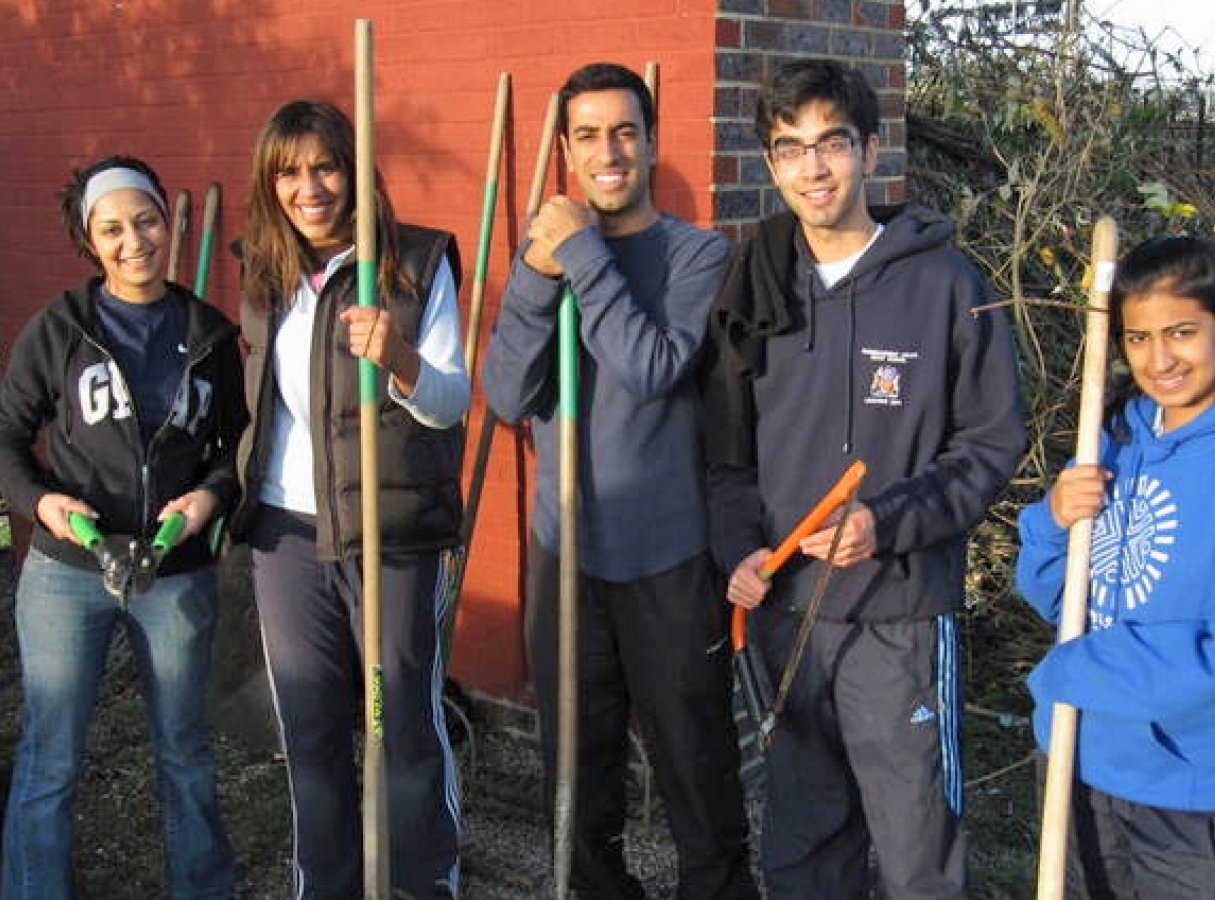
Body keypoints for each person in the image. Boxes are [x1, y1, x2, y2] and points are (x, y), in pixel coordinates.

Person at [700, 59, 1026, 900]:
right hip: (787, 622)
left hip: (902, 620)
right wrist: (740, 551)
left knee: (918, 852)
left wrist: (891, 521)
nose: (814, 168)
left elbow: (991, 445)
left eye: (832, 144)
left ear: (870, 151)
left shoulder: (947, 287)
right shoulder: (759, 286)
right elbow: (727, 457)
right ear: (771, 165)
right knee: (806, 849)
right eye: (791, 148)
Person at [482, 62, 757, 899]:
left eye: (626, 132)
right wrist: (537, 277)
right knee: (578, 758)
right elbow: (503, 395)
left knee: (693, 756)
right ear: (566, 150)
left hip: (669, 558)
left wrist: (583, 257)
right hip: (567, 555)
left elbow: (651, 368)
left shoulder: (697, 255)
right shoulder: (550, 261)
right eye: (591, 134)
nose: (611, 151)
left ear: (650, 141)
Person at [233, 99, 469, 900]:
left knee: (399, 721)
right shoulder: (264, 274)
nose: (311, 188)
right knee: (311, 731)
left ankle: (420, 885)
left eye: (326, 166)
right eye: (290, 173)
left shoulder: (416, 263)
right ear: (271, 185)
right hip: (285, 537)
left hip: (389, 532)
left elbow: (450, 400)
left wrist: (399, 356)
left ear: (356, 172)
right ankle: (322, 885)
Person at [0, 155, 244, 899]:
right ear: (90, 240)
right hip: (66, 576)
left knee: (185, 753)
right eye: (112, 228)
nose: (133, 240)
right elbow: (6, 436)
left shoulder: (208, 332)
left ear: (167, 223)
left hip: (175, 575)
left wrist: (207, 499)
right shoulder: (62, 329)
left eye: (145, 220)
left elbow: (236, 447)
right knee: (52, 758)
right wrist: (43, 505)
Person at [1016, 235, 1215, 899]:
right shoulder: (1117, 436)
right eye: (1137, 339)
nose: (1159, 359)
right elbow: (1060, 599)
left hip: (1201, 784)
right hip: (1089, 761)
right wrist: (1054, 519)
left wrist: (1079, 672)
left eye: (1182, 332)